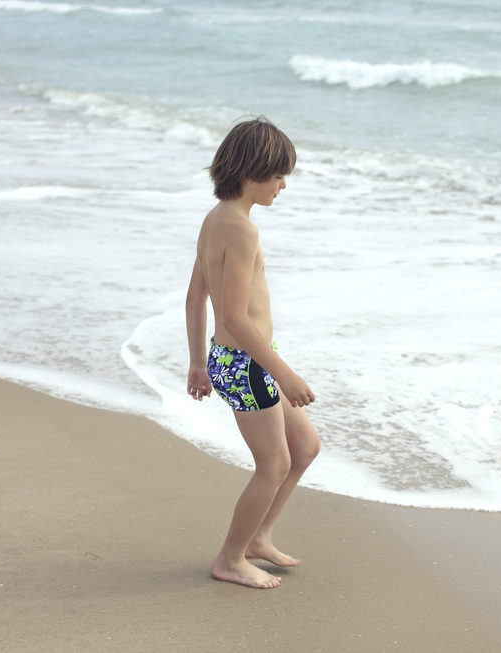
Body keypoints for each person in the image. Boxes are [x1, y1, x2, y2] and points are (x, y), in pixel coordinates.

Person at [184, 117, 321, 589]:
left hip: (233, 360)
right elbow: (239, 319)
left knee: (305, 447)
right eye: (279, 175)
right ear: (250, 171)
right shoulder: (241, 231)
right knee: (274, 464)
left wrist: (198, 362)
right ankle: (230, 558)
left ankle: (259, 537)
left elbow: (196, 295)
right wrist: (284, 374)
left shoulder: (215, 219)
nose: (283, 185)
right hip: (248, 365)